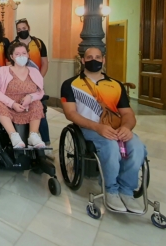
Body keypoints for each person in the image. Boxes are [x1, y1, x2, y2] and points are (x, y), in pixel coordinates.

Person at [61, 47, 146, 213]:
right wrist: (97, 127)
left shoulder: (116, 85)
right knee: (111, 146)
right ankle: (111, 189)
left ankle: (127, 191)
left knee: (137, 147)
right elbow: (70, 113)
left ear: (103, 60)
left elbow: (127, 113)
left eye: (98, 57)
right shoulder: (70, 84)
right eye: (90, 57)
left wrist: (126, 127)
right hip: (89, 128)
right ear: (83, 60)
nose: (94, 60)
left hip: (117, 128)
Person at [0, 42, 45, 149]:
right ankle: (13, 136)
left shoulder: (35, 72)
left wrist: (31, 97)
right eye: (17, 54)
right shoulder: (1, 71)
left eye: (24, 53)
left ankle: (33, 135)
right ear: (11, 56)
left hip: (28, 105)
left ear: (28, 55)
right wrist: (12, 104)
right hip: (8, 105)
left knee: (37, 103)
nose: (21, 56)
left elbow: (40, 92)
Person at [13, 18, 51, 153]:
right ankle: (22, 141)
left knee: (39, 112)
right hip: (19, 85)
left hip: (35, 85)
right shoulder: (13, 45)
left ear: (28, 28)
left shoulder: (38, 43)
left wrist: (37, 80)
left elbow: (45, 64)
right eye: (19, 29)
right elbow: (9, 65)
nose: (22, 31)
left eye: (24, 28)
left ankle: (46, 142)